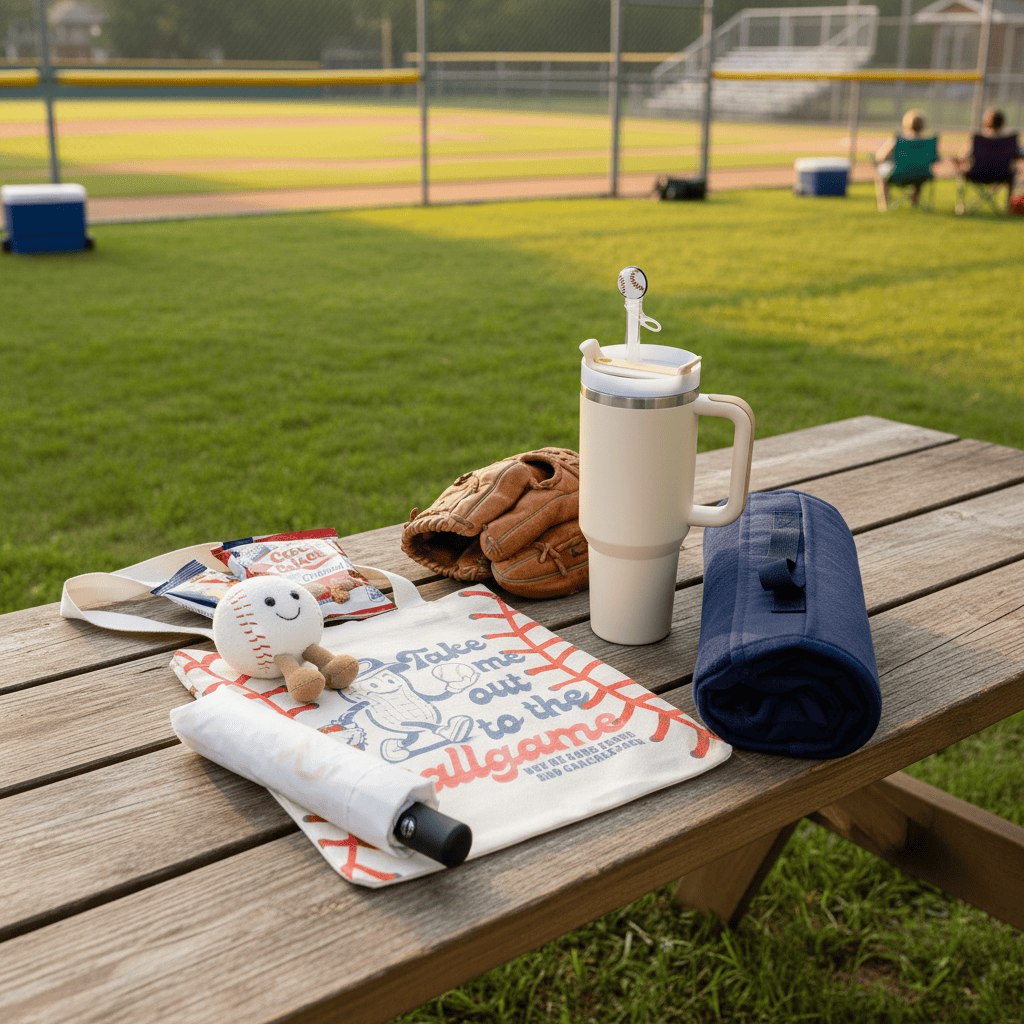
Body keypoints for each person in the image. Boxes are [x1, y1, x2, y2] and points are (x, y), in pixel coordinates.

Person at [874, 109, 936, 209]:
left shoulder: (898, 140)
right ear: (923, 126)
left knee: (881, 175)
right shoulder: (929, 143)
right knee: (918, 173)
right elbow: (936, 159)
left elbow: (881, 157)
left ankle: (884, 205)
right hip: (923, 175)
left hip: (898, 174)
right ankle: (914, 202)